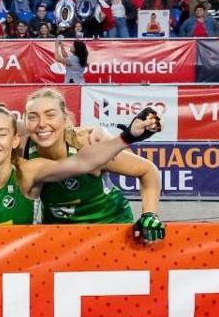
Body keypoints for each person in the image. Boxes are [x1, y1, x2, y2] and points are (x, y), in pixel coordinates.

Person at [0, 105, 161, 228]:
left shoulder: (29, 171)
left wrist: (126, 137)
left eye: (2, 134)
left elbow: (82, 161)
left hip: (23, 261)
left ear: (15, 140)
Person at [24, 89, 163, 241]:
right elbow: (5, 121)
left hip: (110, 226)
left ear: (65, 118)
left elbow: (148, 170)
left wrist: (149, 215)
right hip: (60, 233)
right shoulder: (22, 146)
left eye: (50, 115)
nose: (41, 124)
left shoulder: (87, 143)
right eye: (33, 117)